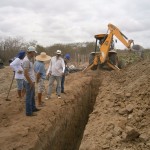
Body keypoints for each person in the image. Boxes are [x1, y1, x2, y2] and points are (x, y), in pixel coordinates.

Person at [22, 46, 39, 116]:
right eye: (34, 52)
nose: (34, 54)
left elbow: (30, 71)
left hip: (31, 81)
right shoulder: (26, 60)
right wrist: (31, 82)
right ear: (31, 52)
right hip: (29, 82)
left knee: (32, 96)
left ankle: (33, 108)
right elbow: (25, 73)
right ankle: (29, 112)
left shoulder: (30, 59)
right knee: (29, 97)